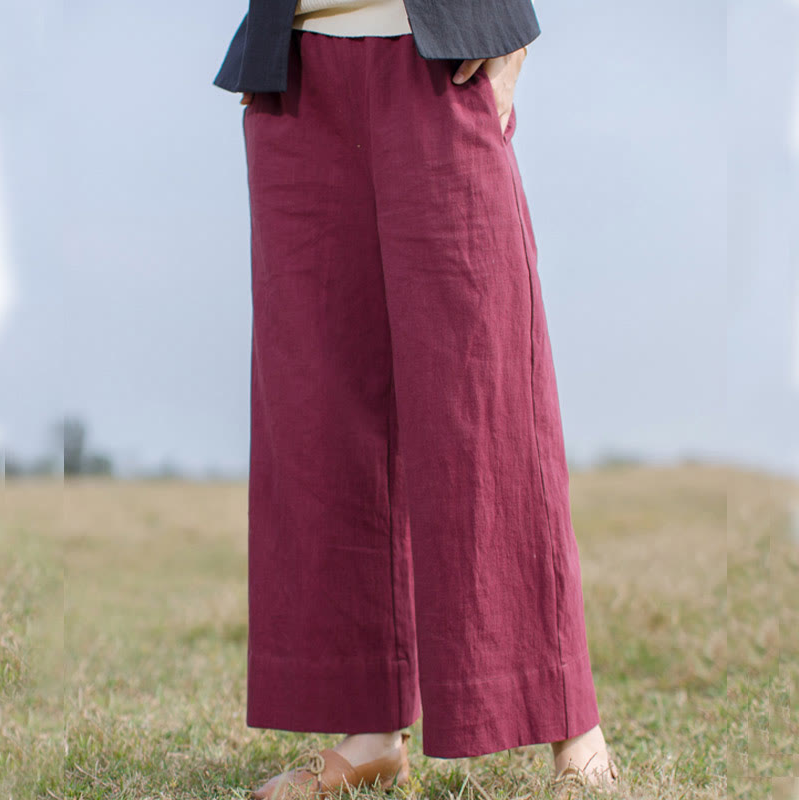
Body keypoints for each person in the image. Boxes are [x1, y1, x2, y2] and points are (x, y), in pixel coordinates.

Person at [212, 1, 620, 797]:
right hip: (296, 73)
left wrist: (511, 37)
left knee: (485, 395)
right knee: (321, 411)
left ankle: (570, 719)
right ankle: (370, 731)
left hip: (437, 59)